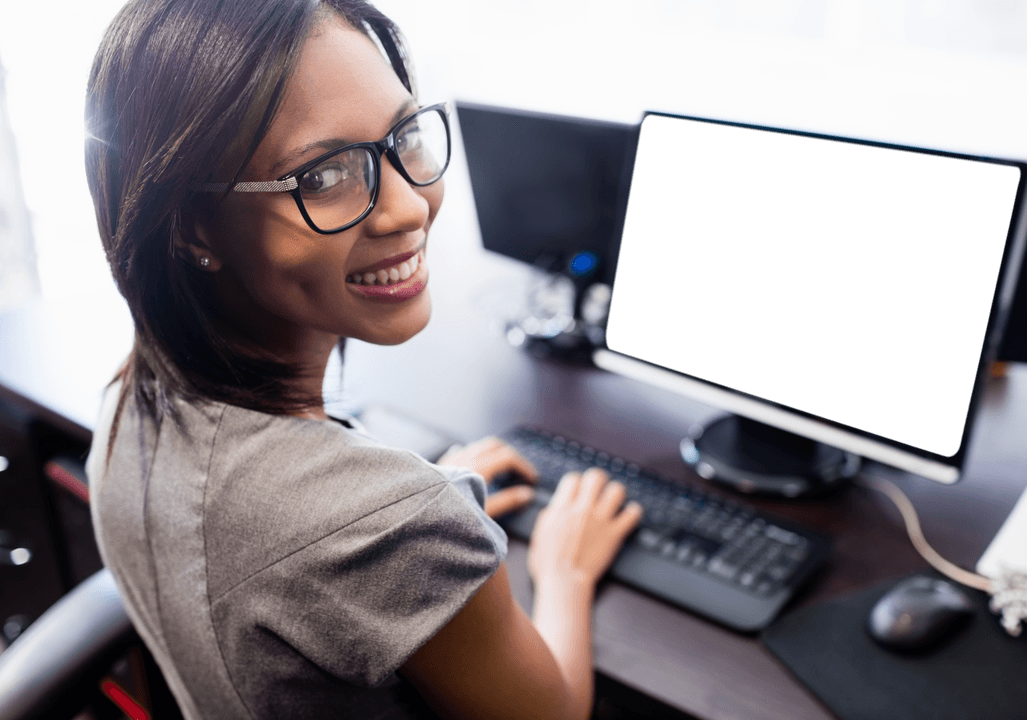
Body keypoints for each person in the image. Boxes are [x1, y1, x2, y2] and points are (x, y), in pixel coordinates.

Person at [83, 0, 643, 719]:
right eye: (322, 177)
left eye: (404, 136)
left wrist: (413, 509)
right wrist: (562, 569)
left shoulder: (129, 399)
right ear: (194, 225)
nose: (408, 208)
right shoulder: (386, 525)